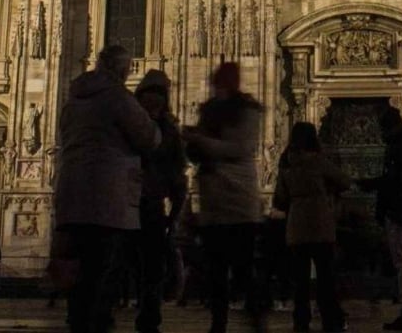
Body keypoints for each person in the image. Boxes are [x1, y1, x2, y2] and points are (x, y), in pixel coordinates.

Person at [53, 44, 160, 333]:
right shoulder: (117, 97)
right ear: (120, 70)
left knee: (79, 270)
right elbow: (148, 137)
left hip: (72, 194)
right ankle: (95, 323)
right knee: (102, 270)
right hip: (107, 198)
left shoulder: (72, 100)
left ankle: (78, 321)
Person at [183, 61, 265, 333]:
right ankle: (219, 323)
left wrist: (199, 140)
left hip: (238, 200)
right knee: (216, 270)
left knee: (242, 268)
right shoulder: (211, 111)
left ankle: (255, 318)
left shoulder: (246, 111)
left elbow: (240, 148)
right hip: (214, 202)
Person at [273, 121, 350, 333]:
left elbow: (279, 198)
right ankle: (330, 320)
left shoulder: (286, 163)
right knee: (326, 277)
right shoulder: (318, 161)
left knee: (300, 280)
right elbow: (345, 181)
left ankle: (301, 321)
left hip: (297, 225)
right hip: (320, 223)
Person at [360, 110, 402, 330]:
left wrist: (373, 184)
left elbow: (398, 179)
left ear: (390, 127)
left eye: (383, 129)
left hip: (399, 209)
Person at [134, 68, 189, 333]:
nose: (153, 103)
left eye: (159, 97)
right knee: (122, 259)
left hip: (152, 201)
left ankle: (150, 316)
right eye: (149, 97)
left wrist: (176, 211)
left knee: (153, 263)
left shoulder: (169, 130)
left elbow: (178, 172)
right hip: (125, 201)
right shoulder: (127, 126)